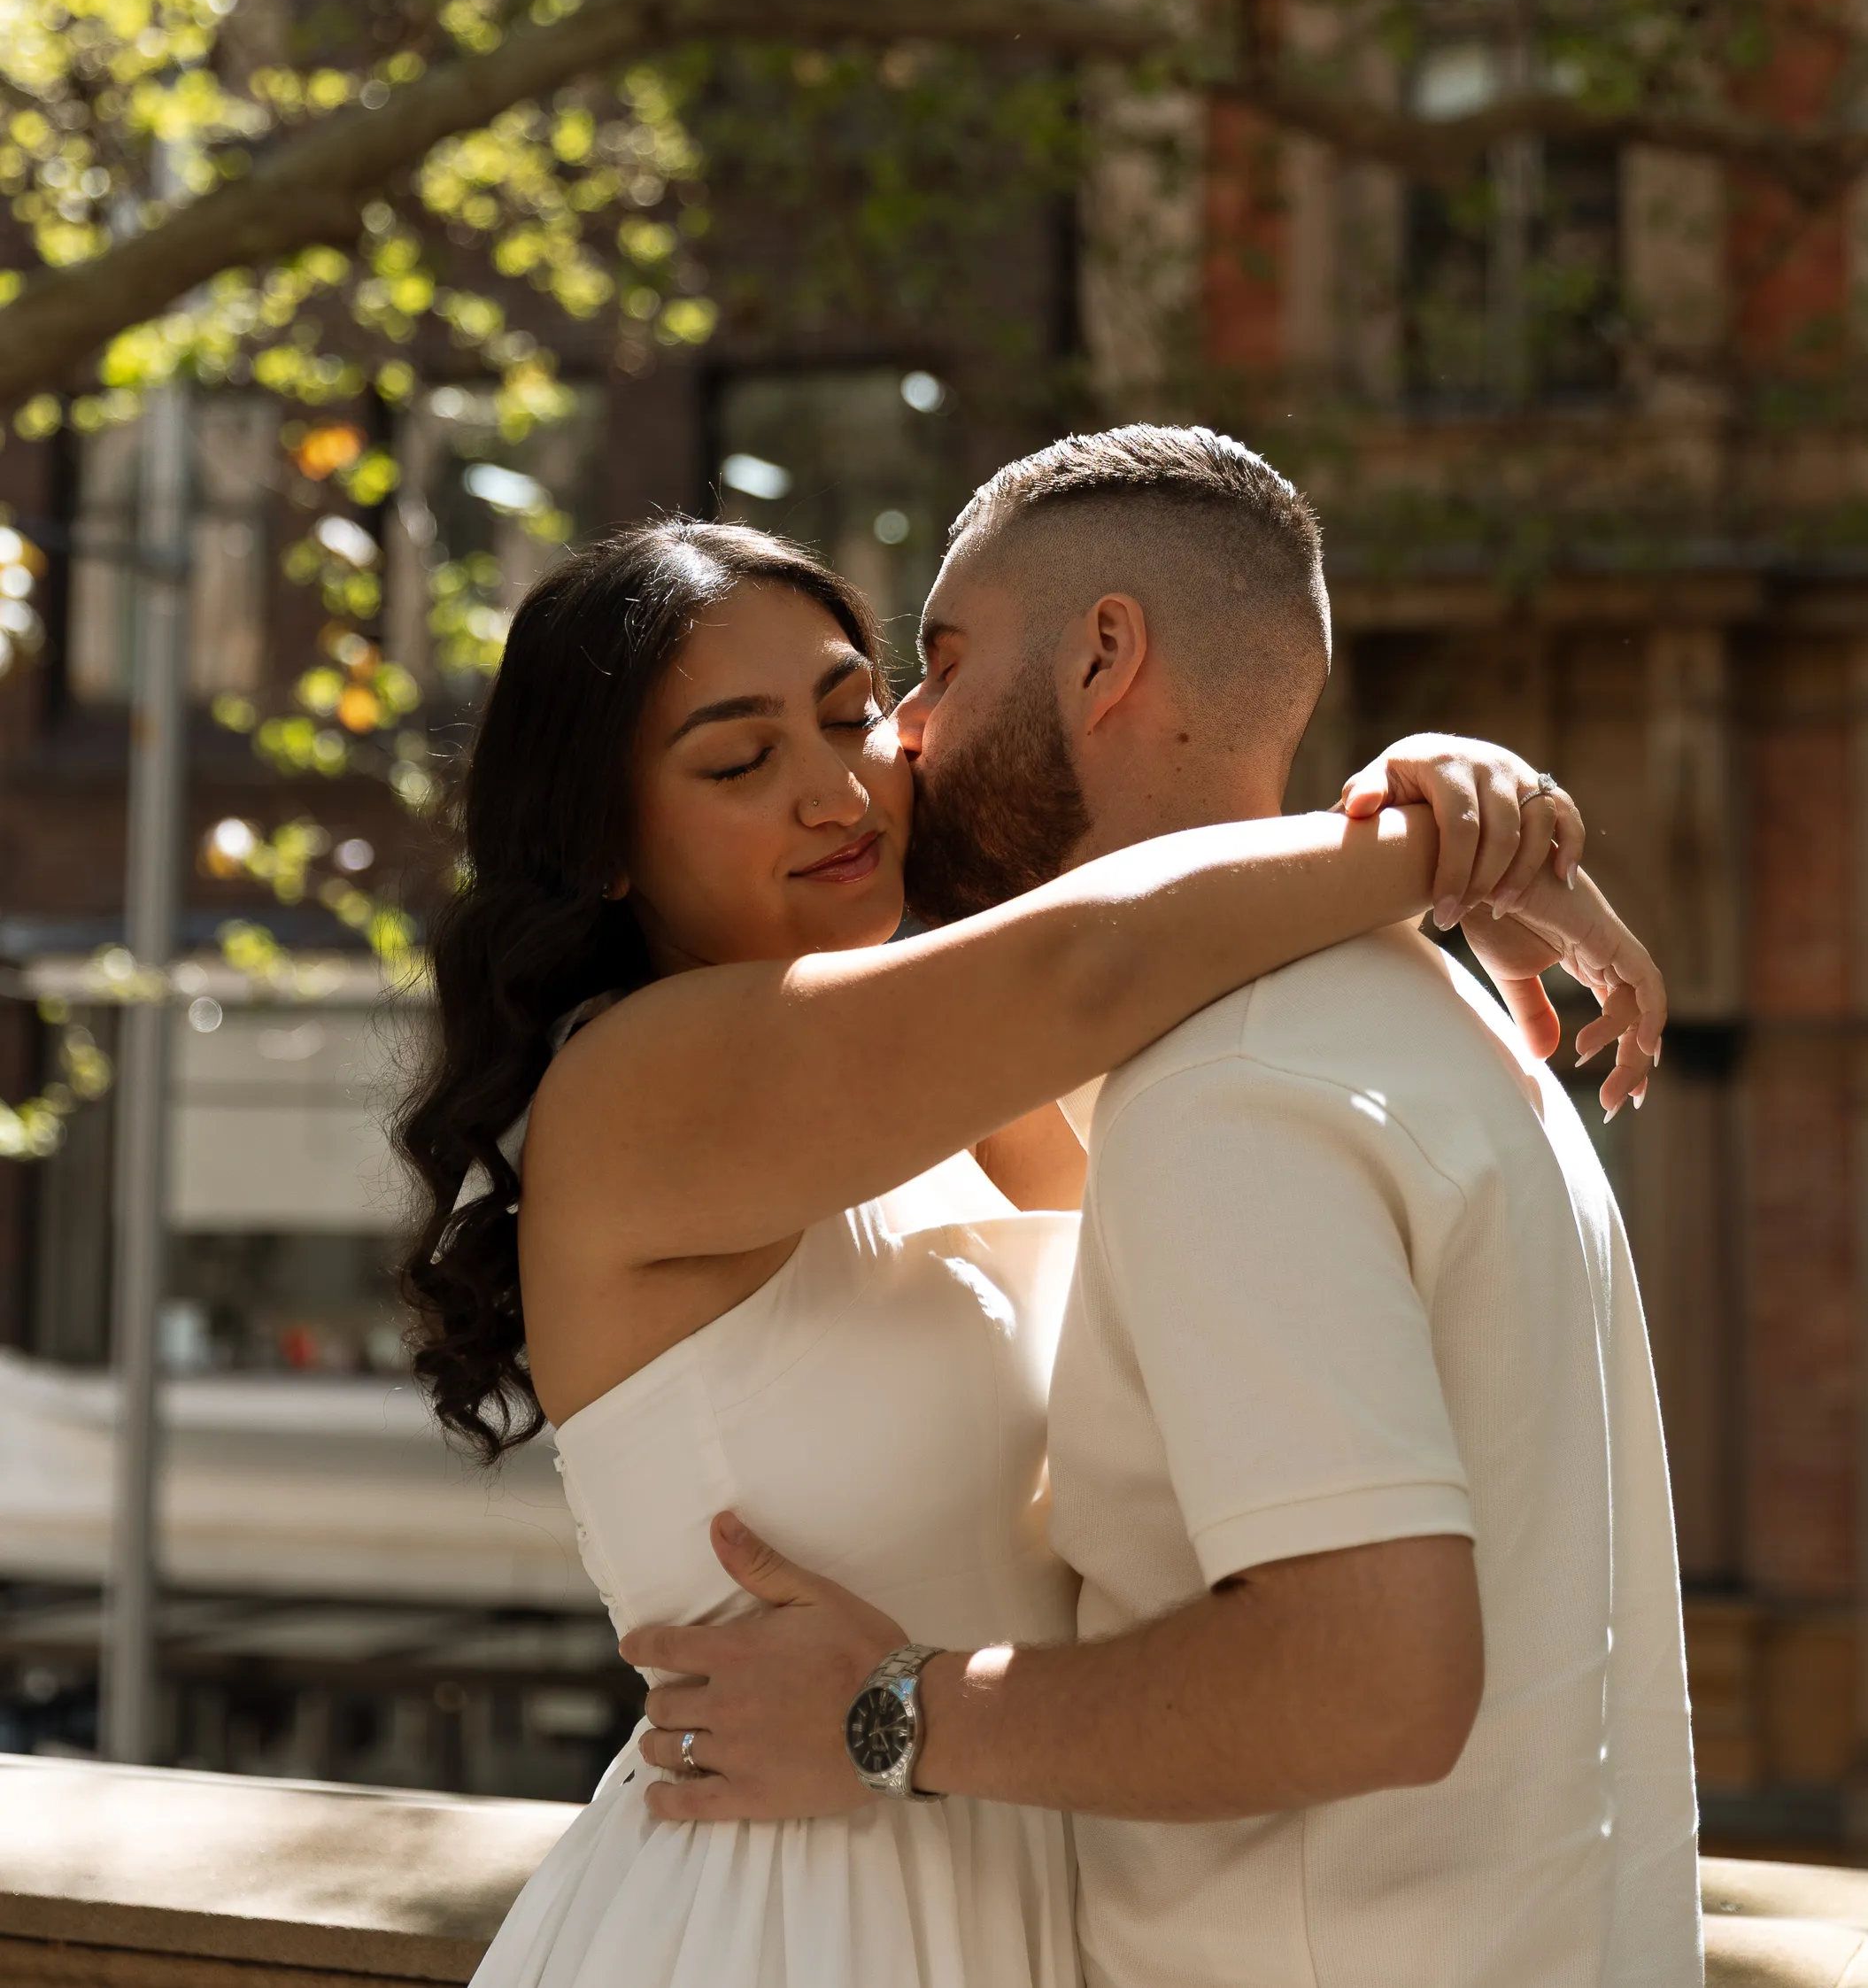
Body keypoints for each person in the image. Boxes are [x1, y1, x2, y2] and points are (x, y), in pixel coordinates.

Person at [396, 502, 1663, 1988]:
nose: (838, 790)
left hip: (1011, 1850)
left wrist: (1433, 785)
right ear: (606, 847)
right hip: (785, 1919)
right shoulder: (640, 1085)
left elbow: (1129, 936)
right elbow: (1094, 954)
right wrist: (1441, 851)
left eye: (855, 714)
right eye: (741, 762)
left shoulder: (948, 1075)